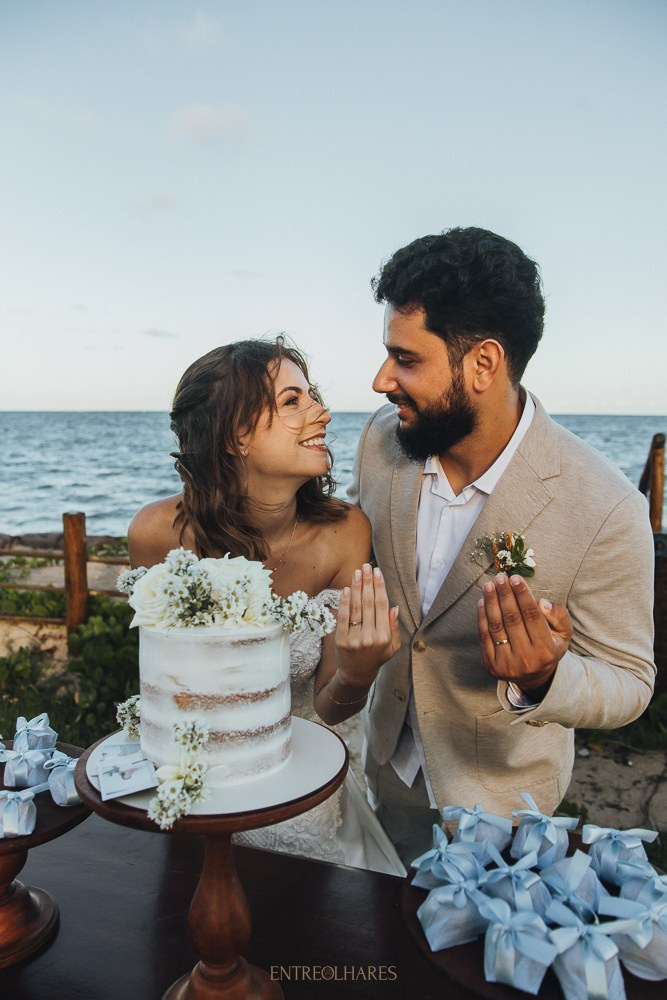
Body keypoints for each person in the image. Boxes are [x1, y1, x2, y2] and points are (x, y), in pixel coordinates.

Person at [319, 226, 656, 866]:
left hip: (500, 805)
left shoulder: (607, 507)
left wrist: (544, 676)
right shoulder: (380, 443)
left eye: (407, 359)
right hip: (383, 768)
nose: (381, 380)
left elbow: (631, 680)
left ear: (483, 363)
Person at [128, 337, 405, 875]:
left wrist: (358, 672)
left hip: (302, 790)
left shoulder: (345, 533)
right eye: (293, 401)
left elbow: (329, 708)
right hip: (191, 792)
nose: (322, 412)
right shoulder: (156, 533)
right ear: (235, 435)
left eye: (314, 396)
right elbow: (161, 684)